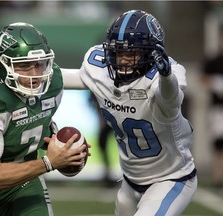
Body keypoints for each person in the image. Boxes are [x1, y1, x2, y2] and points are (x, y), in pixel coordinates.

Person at [61, 10, 198, 216]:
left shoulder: (165, 76)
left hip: (171, 177)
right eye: (118, 52)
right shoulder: (99, 67)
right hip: (130, 181)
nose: (123, 60)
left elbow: (170, 105)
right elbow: (72, 78)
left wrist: (166, 76)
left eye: (131, 53)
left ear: (151, 53)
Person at [0, 22, 88, 216]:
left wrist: (61, 146)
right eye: (23, 66)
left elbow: (89, 79)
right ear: (3, 65)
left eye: (39, 64)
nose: (35, 75)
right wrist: (49, 162)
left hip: (26, 181)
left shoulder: (52, 80)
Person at [202, 33, 223, 188]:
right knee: (219, 144)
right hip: (218, 110)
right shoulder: (214, 61)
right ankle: (217, 176)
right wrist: (216, 83)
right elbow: (203, 78)